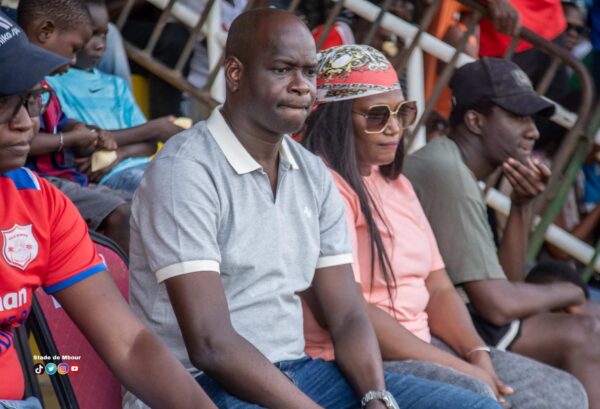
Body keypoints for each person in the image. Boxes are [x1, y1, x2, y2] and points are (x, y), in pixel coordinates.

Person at [124, 8, 501, 409]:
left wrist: (375, 397)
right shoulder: (186, 170)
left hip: (298, 372)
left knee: (476, 406)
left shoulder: (312, 173)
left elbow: (348, 315)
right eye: (282, 70)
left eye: (309, 72)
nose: (302, 86)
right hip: (198, 387)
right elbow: (210, 343)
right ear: (234, 73)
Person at [300, 44, 587, 409]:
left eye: (403, 112)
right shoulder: (324, 185)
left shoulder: (396, 183)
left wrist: (477, 353)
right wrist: (460, 367)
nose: (394, 127)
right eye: (377, 115)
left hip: (426, 342)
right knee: (475, 395)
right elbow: (352, 311)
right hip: (365, 355)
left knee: (562, 392)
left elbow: (437, 287)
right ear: (336, 118)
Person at [0, 11, 216, 408]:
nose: (26, 123)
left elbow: (129, 343)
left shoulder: (39, 201)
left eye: (31, 100)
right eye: (3, 102)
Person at [404, 57, 600, 409]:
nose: (534, 131)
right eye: (518, 117)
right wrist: (572, 291)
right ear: (475, 121)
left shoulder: (456, 167)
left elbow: (505, 281)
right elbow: (498, 305)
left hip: (457, 316)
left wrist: (522, 206)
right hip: (433, 327)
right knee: (587, 332)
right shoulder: (447, 172)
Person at [17, 0, 131, 252]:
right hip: (36, 181)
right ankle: (110, 276)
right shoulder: (18, 83)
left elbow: (63, 122)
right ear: (45, 31)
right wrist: (69, 139)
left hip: (66, 178)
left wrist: (87, 130)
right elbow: (21, 140)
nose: (72, 60)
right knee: (119, 213)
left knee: (142, 203)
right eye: (73, 49)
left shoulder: (45, 86)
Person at [46, 0, 184, 192]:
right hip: (112, 176)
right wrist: (153, 128)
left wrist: (122, 153)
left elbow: (151, 145)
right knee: (168, 189)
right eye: (92, 34)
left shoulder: (116, 85)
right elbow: (84, 144)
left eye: (104, 35)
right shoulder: (54, 83)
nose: (101, 45)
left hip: (143, 166)